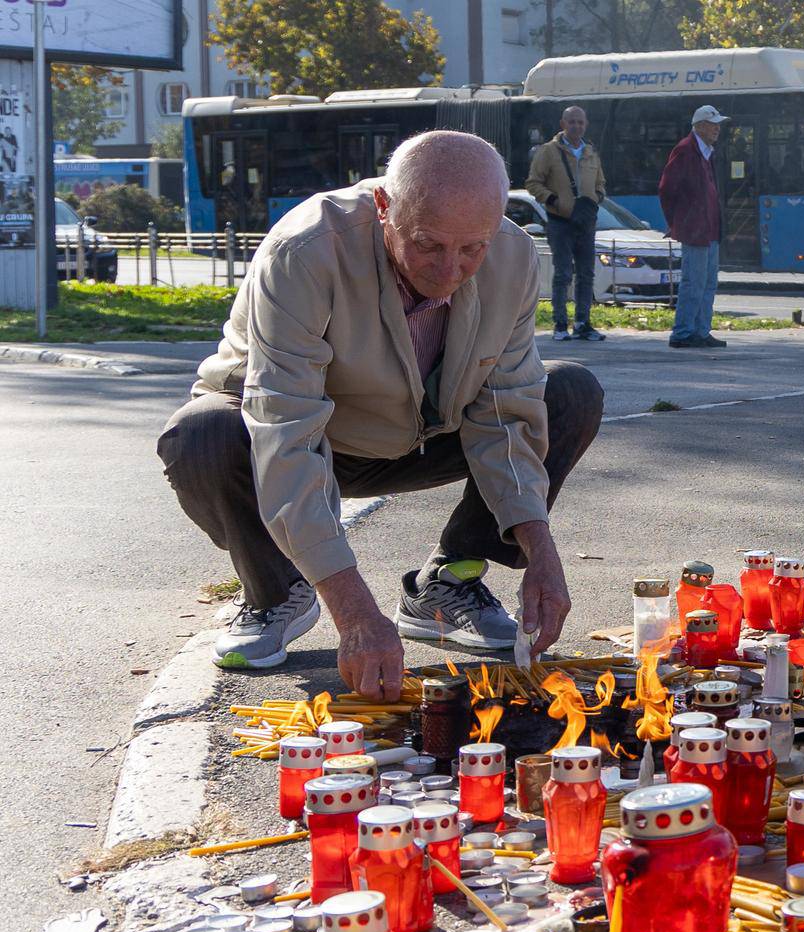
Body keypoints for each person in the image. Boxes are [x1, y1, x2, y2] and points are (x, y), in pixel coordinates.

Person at [157, 130, 605, 699]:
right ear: (385, 208)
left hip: (422, 437)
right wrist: (355, 614)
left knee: (568, 391)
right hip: (302, 438)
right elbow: (284, 429)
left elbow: (505, 411)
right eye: (428, 245)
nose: (450, 272)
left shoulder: (513, 255)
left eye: (473, 249)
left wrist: (540, 550)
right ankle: (275, 593)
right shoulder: (305, 252)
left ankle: (448, 583)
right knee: (200, 432)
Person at [526, 105, 607, 342]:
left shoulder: (591, 152)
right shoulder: (549, 151)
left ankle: (583, 323)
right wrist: (553, 200)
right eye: (572, 122)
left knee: (586, 273)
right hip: (560, 221)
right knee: (562, 273)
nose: (576, 126)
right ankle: (560, 324)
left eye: (581, 122)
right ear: (563, 124)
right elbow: (533, 183)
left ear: (586, 124)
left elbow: (601, 182)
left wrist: (597, 198)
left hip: (586, 221)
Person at [659, 104, 730, 350]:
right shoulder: (685, 150)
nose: (717, 129)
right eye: (713, 124)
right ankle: (682, 332)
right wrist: (678, 222)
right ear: (699, 126)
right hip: (696, 230)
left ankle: (701, 331)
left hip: (710, 230)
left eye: (718, 124)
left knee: (708, 283)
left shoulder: (706, 152)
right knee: (693, 283)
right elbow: (667, 190)